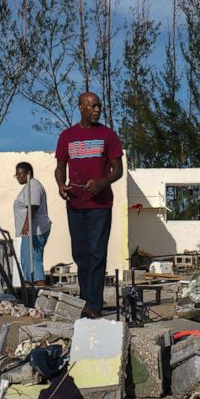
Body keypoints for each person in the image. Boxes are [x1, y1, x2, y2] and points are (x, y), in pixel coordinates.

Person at [54, 92, 123, 318]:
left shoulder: (107, 135)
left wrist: (102, 183)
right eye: (91, 106)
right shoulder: (67, 136)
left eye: (98, 106)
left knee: (96, 253)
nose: (96, 110)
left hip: (100, 206)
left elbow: (118, 170)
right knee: (80, 254)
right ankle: (85, 300)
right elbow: (60, 166)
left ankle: (94, 303)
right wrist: (60, 183)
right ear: (80, 107)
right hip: (75, 204)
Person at [13, 162, 51, 287]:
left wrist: (26, 224)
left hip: (34, 230)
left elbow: (33, 206)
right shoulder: (28, 186)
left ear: (28, 173)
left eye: (20, 173)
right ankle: (28, 287)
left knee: (34, 260)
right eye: (16, 174)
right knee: (26, 261)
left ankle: (40, 289)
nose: (18, 176)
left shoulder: (33, 185)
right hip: (29, 231)